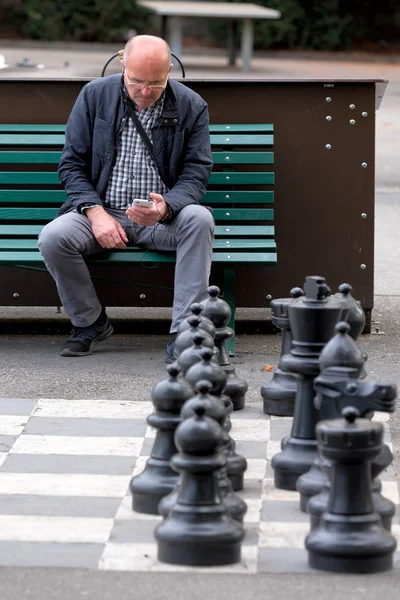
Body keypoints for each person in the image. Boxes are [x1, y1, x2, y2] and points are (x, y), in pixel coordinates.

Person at [38, 35, 214, 362]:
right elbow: (71, 164)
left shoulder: (191, 105)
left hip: (161, 219)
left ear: (170, 71)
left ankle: (186, 332)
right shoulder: (94, 95)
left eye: (156, 83)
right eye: (136, 82)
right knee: (53, 237)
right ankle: (89, 322)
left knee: (200, 219)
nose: (145, 91)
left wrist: (167, 206)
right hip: (102, 211)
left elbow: (197, 171)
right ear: (122, 66)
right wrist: (95, 212)